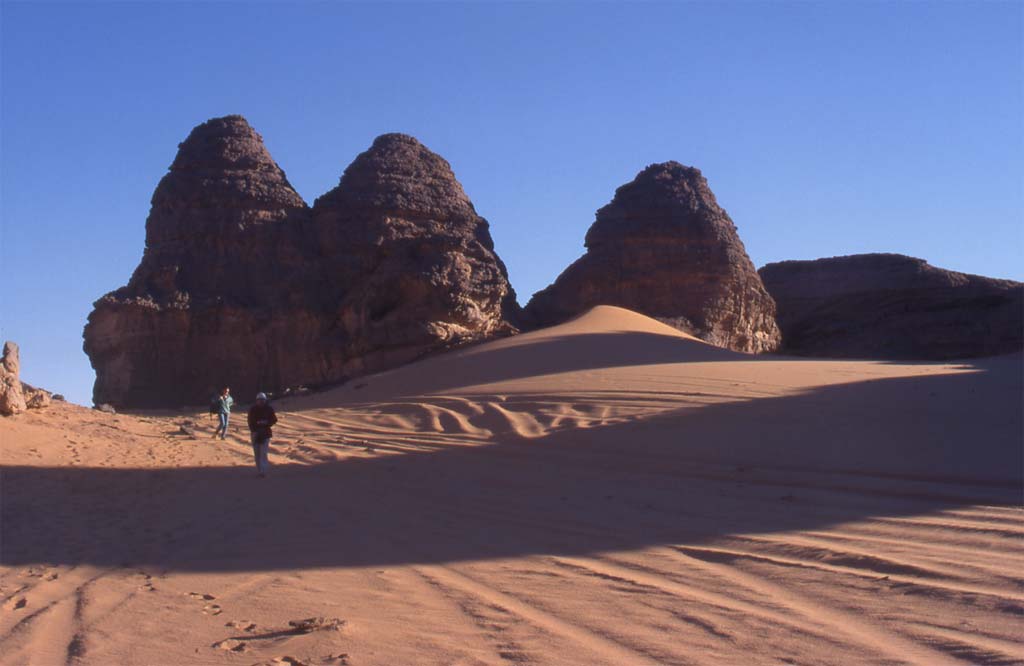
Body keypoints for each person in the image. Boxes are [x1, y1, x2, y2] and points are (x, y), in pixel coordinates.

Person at [247, 392, 277, 478]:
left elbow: (274, 419)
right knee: (257, 453)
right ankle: (260, 470)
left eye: (263, 400)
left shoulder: (269, 409)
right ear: (256, 400)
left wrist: (266, 422)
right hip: (255, 433)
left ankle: (263, 471)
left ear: (265, 400)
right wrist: (255, 427)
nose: (261, 402)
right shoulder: (253, 409)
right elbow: (250, 421)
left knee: (263, 452)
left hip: (266, 433)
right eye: (259, 400)